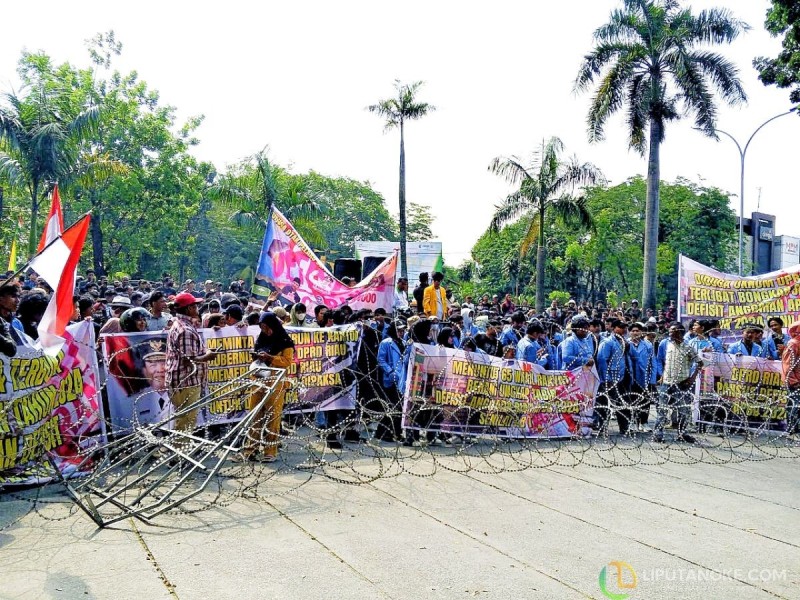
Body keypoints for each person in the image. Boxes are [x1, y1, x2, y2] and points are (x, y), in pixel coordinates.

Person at [237, 311, 295, 462]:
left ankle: (270, 451)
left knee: (272, 417)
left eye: (267, 327)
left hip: (275, 383)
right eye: (262, 327)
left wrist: (270, 358)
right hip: (258, 381)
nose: (265, 331)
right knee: (255, 415)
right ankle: (251, 449)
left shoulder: (285, 341)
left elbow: (287, 361)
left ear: (274, 326)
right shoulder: (261, 339)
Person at [165, 292, 219, 436]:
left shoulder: (182, 325)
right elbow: (189, 359)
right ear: (189, 309)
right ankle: (179, 455)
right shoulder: (185, 330)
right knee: (186, 421)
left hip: (183, 380)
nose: (198, 308)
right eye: (195, 306)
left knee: (185, 419)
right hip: (186, 381)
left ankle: (179, 452)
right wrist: (209, 356)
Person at [653, 322, 703, 443]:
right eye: (670, 331)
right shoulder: (666, 344)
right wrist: (662, 375)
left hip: (681, 383)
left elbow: (700, 363)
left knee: (683, 411)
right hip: (666, 382)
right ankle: (658, 434)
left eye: (673, 330)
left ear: (680, 331)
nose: (670, 333)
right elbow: (663, 361)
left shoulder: (688, 347)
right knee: (662, 409)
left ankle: (682, 433)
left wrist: (692, 377)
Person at [375, 321, 407, 441]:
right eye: (399, 330)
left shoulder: (404, 343)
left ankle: (396, 432)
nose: (401, 332)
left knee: (399, 407)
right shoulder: (386, 343)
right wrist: (390, 371)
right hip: (390, 379)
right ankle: (384, 432)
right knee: (390, 406)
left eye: (403, 330)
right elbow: (381, 359)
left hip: (401, 380)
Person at [781, 319, 800, 436]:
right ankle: (792, 430)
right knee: (795, 406)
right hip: (796, 382)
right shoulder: (793, 344)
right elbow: (787, 365)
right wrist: (793, 381)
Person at [0, 281, 23, 356]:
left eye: (19, 297)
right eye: (13, 296)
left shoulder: (16, 322)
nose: (17, 300)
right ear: (1, 299)